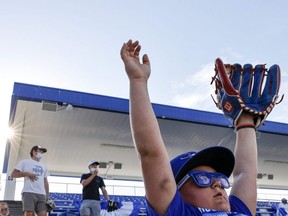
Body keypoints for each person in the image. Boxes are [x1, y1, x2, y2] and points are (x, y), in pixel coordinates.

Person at [120, 39, 260, 215]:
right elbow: (150, 154)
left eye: (220, 179)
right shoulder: (180, 212)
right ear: (176, 192)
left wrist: (245, 121)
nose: (217, 184)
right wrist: (138, 81)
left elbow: (244, 174)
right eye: (202, 179)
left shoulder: (237, 212)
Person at [11, 145, 50, 216]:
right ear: (34, 152)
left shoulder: (44, 166)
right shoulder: (24, 162)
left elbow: (45, 181)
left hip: (41, 194)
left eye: (42, 152)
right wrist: (27, 174)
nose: (41, 153)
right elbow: (13, 174)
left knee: (44, 214)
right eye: (40, 151)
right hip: (28, 192)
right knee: (29, 214)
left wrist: (47, 195)